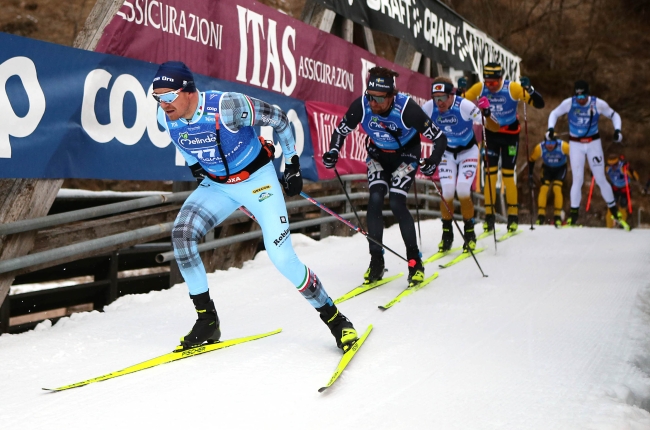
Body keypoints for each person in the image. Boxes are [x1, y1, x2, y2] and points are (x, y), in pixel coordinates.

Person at [153, 61, 357, 352]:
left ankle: (337, 321)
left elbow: (281, 120)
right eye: (157, 98)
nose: (163, 104)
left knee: (282, 258)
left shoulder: (228, 107)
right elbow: (182, 141)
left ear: (188, 90)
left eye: (168, 96)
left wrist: (292, 164)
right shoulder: (165, 116)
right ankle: (207, 320)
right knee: (182, 236)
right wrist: (195, 166)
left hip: (257, 182)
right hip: (218, 186)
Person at [322, 66, 448, 287]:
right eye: (370, 97)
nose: (373, 103)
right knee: (375, 199)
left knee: (398, 203)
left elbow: (439, 138)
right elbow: (340, 131)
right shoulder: (362, 105)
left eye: (380, 99)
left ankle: (415, 262)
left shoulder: (407, 109)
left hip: (405, 156)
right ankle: (376, 260)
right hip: (378, 155)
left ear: (392, 96)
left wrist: (432, 162)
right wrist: (333, 151)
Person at [464, 63, 545, 233]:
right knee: (490, 175)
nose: (490, 87)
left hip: (509, 135)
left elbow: (539, 104)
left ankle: (513, 216)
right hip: (491, 135)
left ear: (501, 79)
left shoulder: (513, 88)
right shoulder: (480, 88)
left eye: (493, 83)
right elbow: (460, 99)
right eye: (487, 83)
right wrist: (459, 90)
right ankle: (489, 217)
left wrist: (529, 89)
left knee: (508, 174)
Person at [422, 77, 499, 253]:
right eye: (435, 98)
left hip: (467, 151)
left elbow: (494, 127)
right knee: (447, 191)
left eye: (442, 97)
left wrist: (487, 113)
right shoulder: (429, 107)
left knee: (463, 190)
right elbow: (412, 125)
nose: (439, 102)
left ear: (452, 95)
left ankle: (470, 234)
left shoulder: (464, 105)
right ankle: (447, 234)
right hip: (446, 152)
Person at [547, 80, 624, 227]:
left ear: (588, 94)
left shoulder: (597, 104)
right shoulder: (570, 103)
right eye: (578, 96)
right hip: (576, 144)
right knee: (578, 179)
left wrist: (617, 130)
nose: (580, 100)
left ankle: (614, 210)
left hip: (593, 144)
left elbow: (614, 115)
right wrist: (550, 128)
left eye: (583, 97)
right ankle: (574, 215)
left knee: (600, 178)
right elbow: (554, 113)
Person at [528, 138, 570, 227]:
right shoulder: (540, 147)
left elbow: (576, 155)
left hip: (560, 168)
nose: (550, 145)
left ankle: (557, 216)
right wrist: (530, 175)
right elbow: (531, 160)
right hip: (547, 169)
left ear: (556, 142)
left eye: (552, 143)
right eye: (548, 143)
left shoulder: (563, 146)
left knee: (557, 188)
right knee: (544, 188)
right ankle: (541, 216)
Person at [604, 152, 636, 229]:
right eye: (611, 165)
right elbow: (600, 173)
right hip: (614, 188)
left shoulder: (622, 167)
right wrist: (594, 172)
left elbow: (635, 178)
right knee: (610, 206)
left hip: (625, 189)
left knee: (623, 206)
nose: (613, 167)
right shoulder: (608, 168)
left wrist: (630, 170)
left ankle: (622, 224)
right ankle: (609, 226)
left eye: (615, 165)